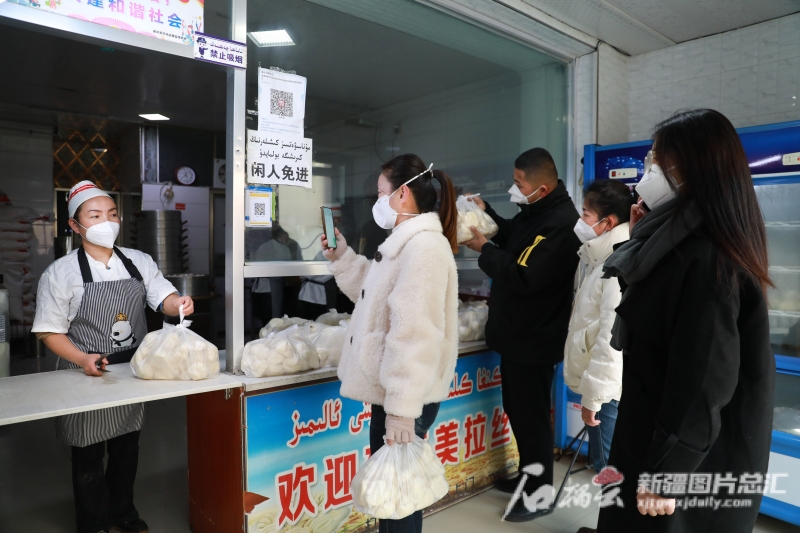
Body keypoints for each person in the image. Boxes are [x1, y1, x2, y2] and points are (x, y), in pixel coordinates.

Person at [596, 109, 774, 532]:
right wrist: (642, 238)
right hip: (655, 428)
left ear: (694, 169)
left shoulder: (709, 259)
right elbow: (655, 317)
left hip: (686, 454)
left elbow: (704, 377)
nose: (648, 171)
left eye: (658, 161)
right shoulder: (679, 240)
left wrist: (667, 473)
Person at [32, 180, 194, 533]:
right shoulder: (60, 273)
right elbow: (49, 331)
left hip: (131, 370)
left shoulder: (138, 261)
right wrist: (82, 359)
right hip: (82, 370)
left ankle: (123, 513)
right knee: (88, 454)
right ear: (75, 225)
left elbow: (163, 298)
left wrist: (178, 303)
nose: (106, 221)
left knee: (127, 447)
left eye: (112, 213)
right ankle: (94, 524)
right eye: (95, 215)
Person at [322, 154, 459, 533]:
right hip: (395, 392)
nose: (377, 201)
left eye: (381, 193)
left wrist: (401, 408)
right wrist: (342, 257)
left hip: (404, 397)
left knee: (397, 494)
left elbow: (415, 333)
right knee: (396, 492)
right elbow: (374, 296)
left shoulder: (424, 248)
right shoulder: (405, 243)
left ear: (402, 194)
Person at [463, 147, 580, 522]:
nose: (514, 189)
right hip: (517, 335)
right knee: (518, 410)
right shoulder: (539, 212)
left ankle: (539, 494)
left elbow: (524, 274)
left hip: (535, 338)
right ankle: (529, 476)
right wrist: (488, 215)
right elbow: (516, 237)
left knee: (532, 418)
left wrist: (485, 249)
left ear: (541, 188)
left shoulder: (561, 224)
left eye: (519, 183)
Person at [563, 180, 635, 474]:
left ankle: (612, 506)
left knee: (608, 468)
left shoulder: (615, 264)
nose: (580, 221)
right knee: (605, 463)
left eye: (586, 214)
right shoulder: (597, 257)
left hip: (606, 389)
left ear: (609, 222)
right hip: (600, 383)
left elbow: (610, 337)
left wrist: (594, 397)